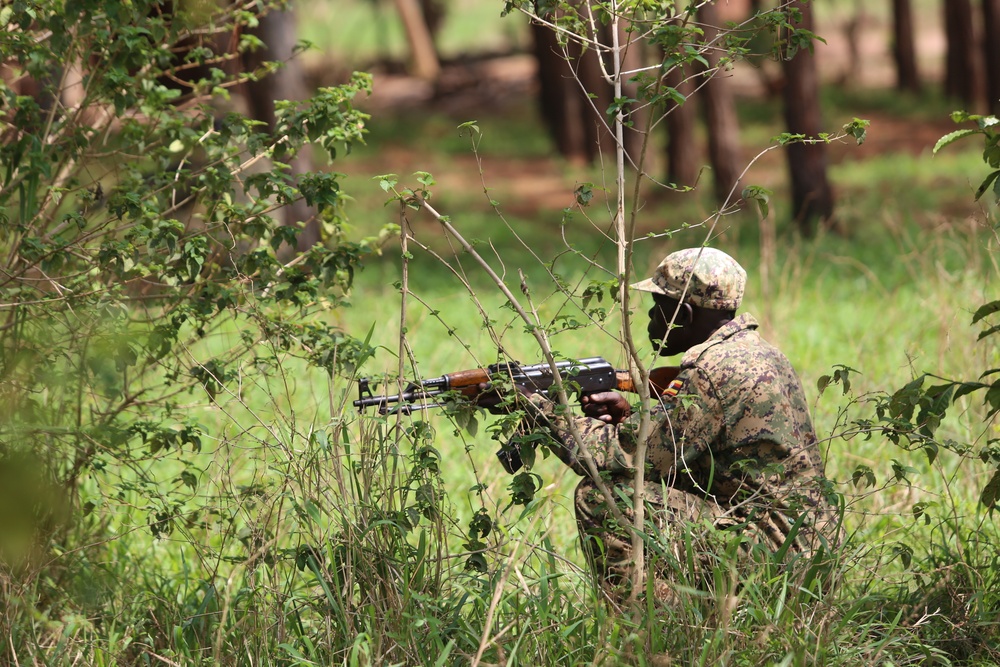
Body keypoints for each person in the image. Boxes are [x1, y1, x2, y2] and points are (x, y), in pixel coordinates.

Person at [485, 247, 841, 603]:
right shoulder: (758, 352)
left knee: (605, 497)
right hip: (809, 548)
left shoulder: (710, 370)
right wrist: (631, 417)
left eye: (658, 307)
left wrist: (534, 406)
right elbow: (695, 448)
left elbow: (618, 458)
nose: (651, 318)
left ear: (683, 315)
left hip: (773, 553)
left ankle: (648, 630)